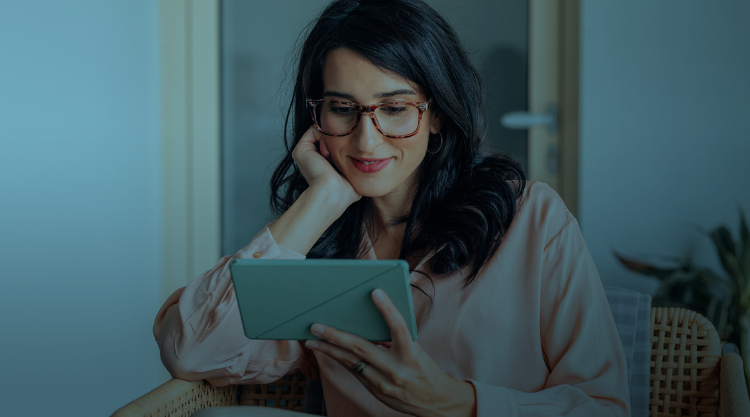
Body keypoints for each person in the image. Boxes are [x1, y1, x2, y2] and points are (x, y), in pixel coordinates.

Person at [153, 0, 631, 416]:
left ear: (437, 112)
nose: (366, 139)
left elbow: (603, 407)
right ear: (315, 116)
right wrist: (319, 203)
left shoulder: (531, 217)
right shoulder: (319, 243)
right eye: (342, 107)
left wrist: (453, 402)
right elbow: (191, 351)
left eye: (395, 108)